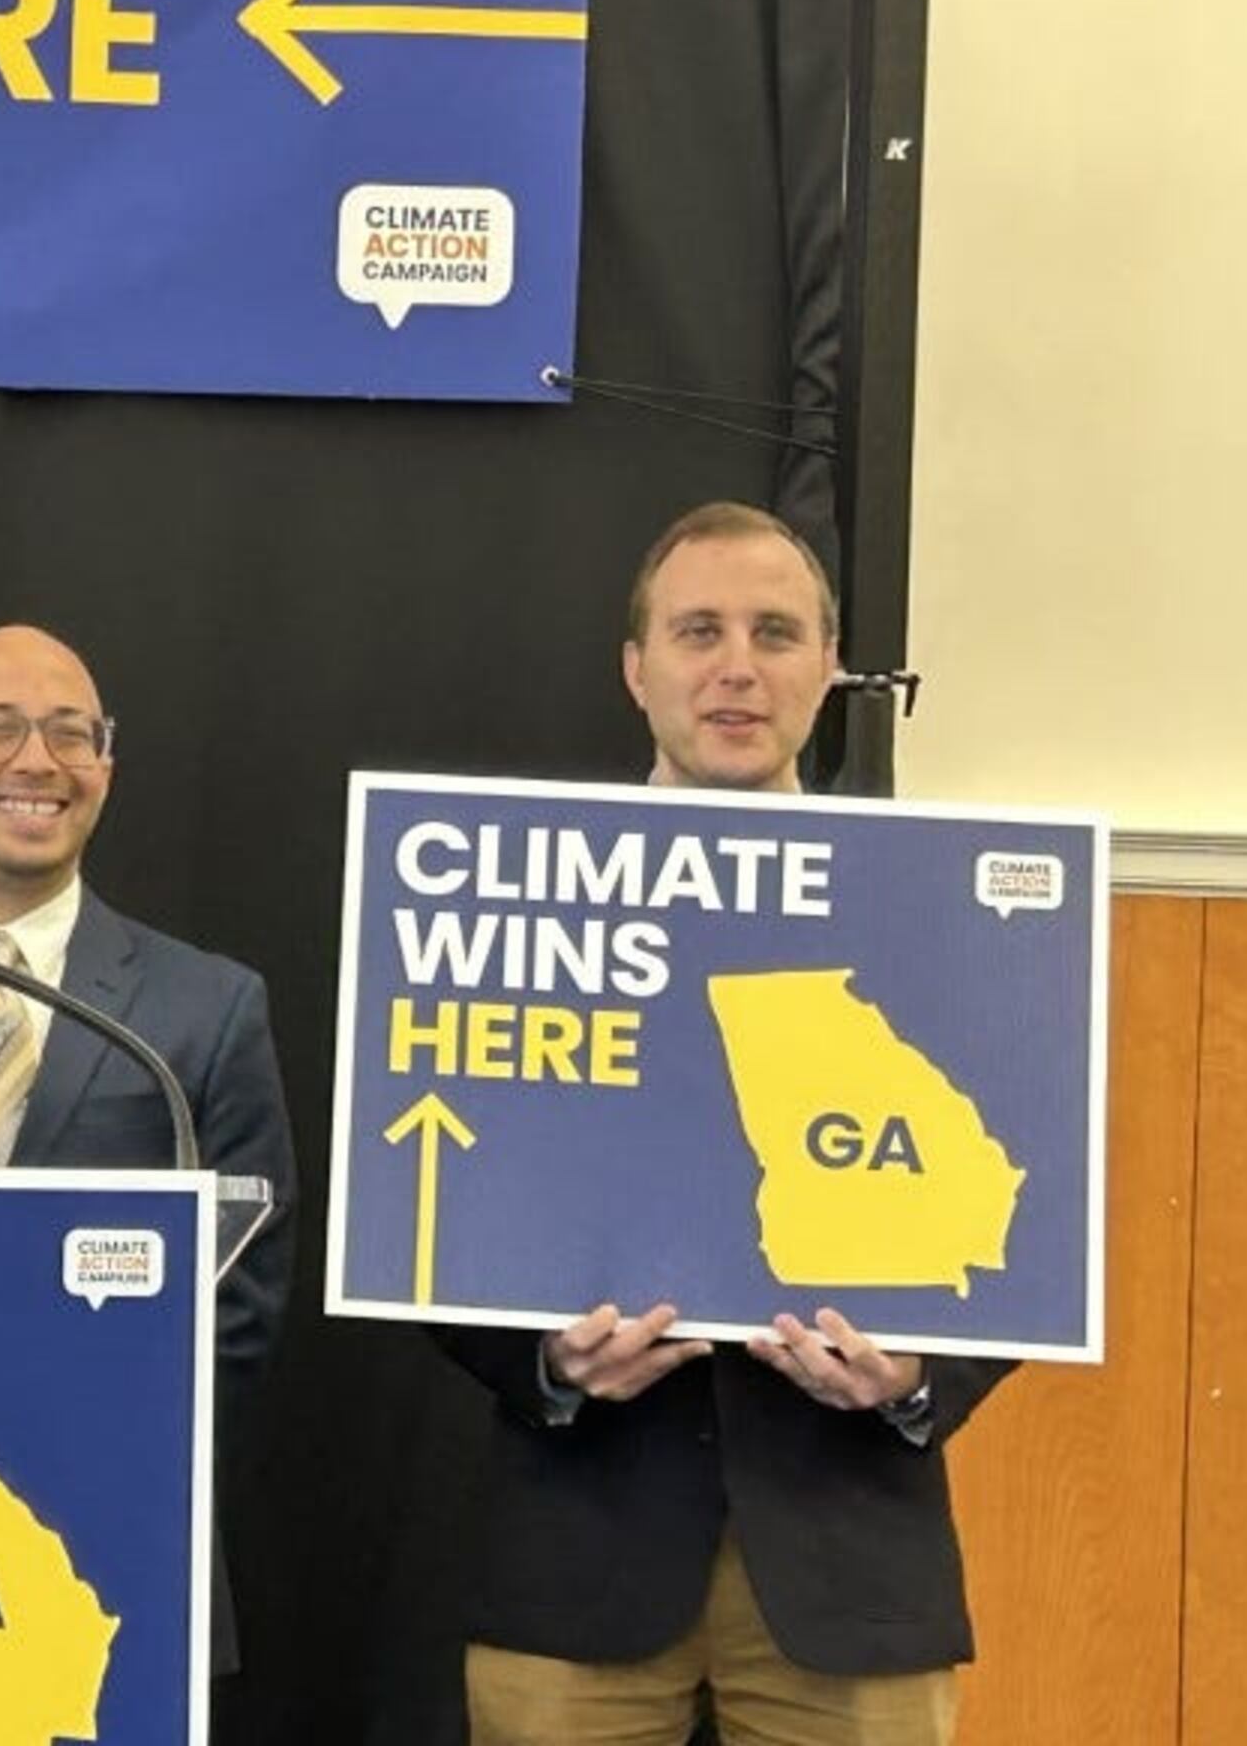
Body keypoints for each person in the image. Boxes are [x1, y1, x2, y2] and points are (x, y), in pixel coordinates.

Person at [434, 502, 1012, 1746]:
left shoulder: (936, 911)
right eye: (699, 631)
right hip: (579, 1560)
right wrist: (545, 1362)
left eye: (775, 633)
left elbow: (1032, 1201)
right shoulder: (513, 895)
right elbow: (425, 1197)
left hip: (851, 1569)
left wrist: (920, 1379)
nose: (737, 666)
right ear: (636, 668)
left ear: (830, 666)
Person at [0, 624, 296, 1673]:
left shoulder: (208, 1007)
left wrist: (81, 1460)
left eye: (73, 734)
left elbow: (242, 1304)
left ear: (105, 772)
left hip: (108, 1561)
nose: (39, 761)